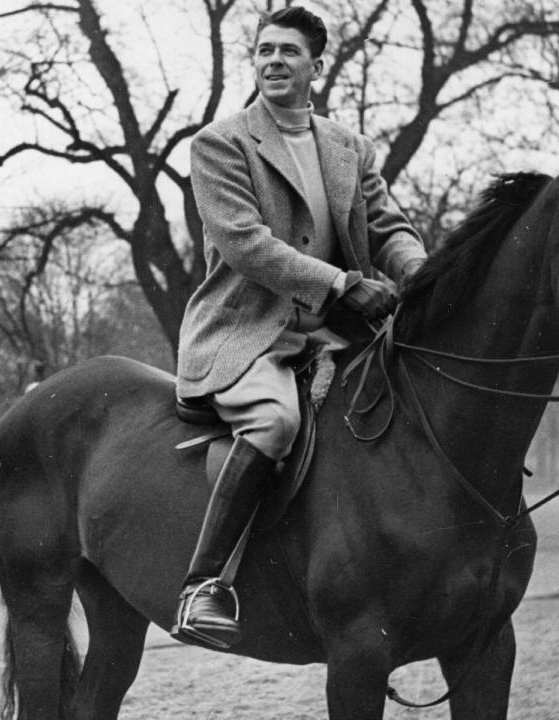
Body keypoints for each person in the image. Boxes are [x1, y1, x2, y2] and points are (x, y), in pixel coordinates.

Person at [171, 6, 426, 648]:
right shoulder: (220, 143)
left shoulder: (349, 147)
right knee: (275, 422)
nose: (274, 60)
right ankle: (204, 586)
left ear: (317, 65)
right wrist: (342, 283)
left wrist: (422, 275)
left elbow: (388, 226)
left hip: (342, 333)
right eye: (264, 50)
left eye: (289, 51)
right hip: (249, 333)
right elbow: (245, 244)